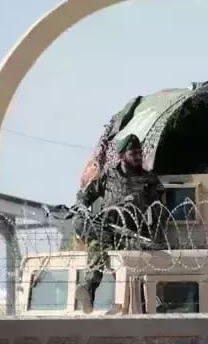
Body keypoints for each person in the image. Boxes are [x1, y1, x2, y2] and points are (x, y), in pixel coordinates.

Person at [72, 133, 165, 314]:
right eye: (133, 153)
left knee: (130, 259)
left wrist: (155, 232)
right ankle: (88, 291)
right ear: (122, 156)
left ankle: (147, 300)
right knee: (96, 242)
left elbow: (158, 210)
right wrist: (81, 205)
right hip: (108, 227)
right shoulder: (108, 176)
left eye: (139, 153)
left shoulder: (149, 180)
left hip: (133, 233)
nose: (138, 157)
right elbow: (86, 194)